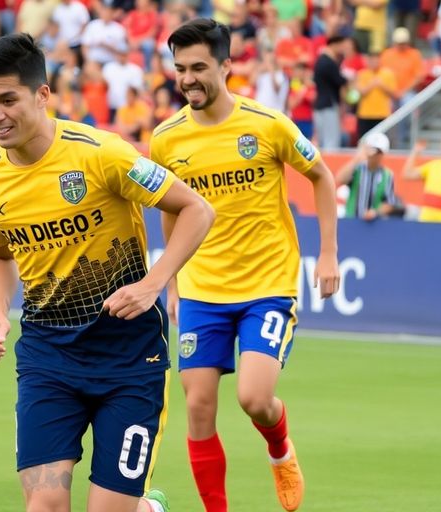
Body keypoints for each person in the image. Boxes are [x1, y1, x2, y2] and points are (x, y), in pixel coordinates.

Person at [0, 33, 215, 512]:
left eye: (8, 100)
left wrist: (153, 283)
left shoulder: (103, 154)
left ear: (42, 95)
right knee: (45, 508)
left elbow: (197, 209)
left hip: (129, 356)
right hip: (47, 357)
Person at [150, 19, 340, 512]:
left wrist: (328, 252)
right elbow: (172, 210)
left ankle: (280, 448)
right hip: (201, 288)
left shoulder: (267, 124)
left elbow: (320, 174)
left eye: (199, 68)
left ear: (227, 66)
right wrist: (169, 281)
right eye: (180, 69)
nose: (188, 78)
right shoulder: (166, 139)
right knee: (197, 407)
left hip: (267, 282)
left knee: (255, 398)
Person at [335, 132, 402, 220]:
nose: (374, 155)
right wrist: (357, 159)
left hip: (374, 225)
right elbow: (340, 179)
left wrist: (375, 212)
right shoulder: (357, 169)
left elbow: (389, 202)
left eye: (378, 152)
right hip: (352, 221)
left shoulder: (387, 175)